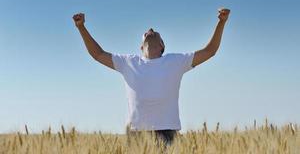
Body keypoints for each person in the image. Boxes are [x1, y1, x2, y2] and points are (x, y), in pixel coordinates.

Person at [72, 8, 230, 146]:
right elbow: (98, 54)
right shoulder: (128, 62)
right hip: (136, 135)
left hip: (168, 133)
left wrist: (221, 22)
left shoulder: (176, 61)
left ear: (162, 45)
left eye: (155, 32)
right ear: (141, 47)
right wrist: (81, 27)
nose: (151, 28)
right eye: (146, 32)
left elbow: (210, 51)